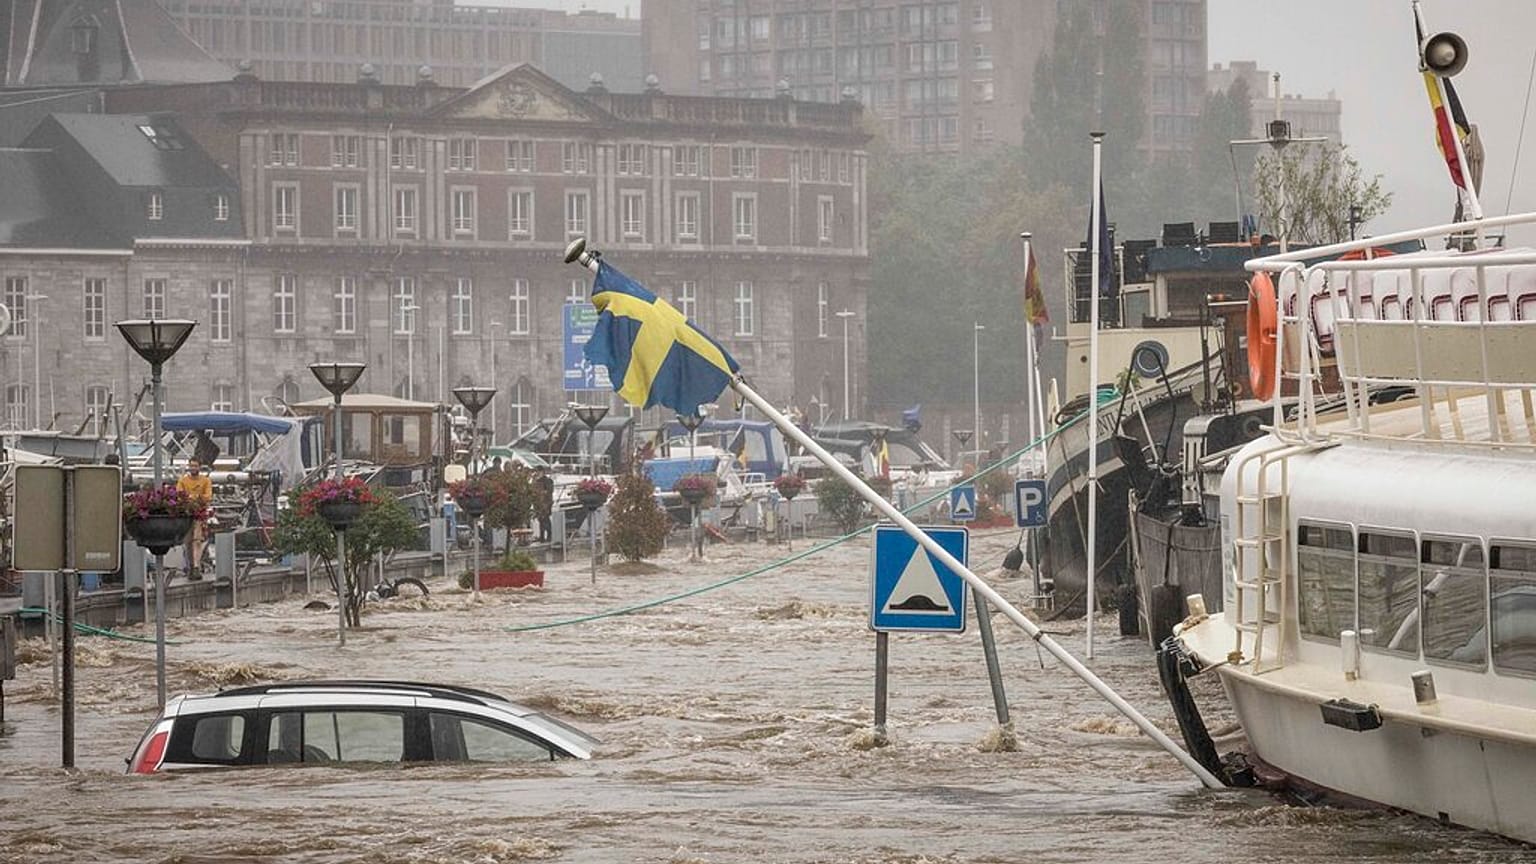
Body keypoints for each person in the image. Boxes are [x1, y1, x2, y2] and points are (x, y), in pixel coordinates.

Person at [176, 458, 214, 578]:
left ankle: (196, 567)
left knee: (197, 540)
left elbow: (208, 497)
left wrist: (192, 497)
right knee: (187, 541)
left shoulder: (206, 481)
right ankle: (191, 566)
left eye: (195, 466)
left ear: (199, 467)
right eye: (191, 466)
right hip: (186, 514)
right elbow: (179, 496)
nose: (193, 468)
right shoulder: (183, 481)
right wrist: (197, 497)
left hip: (199, 514)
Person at [533, 467, 555, 543]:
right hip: (538, 503)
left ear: (542, 472)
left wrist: (542, 493)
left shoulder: (548, 480)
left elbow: (550, 491)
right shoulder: (536, 481)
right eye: (536, 471)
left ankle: (549, 535)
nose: (537, 473)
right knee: (540, 519)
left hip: (546, 503)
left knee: (545, 519)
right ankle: (542, 536)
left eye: (538, 471)